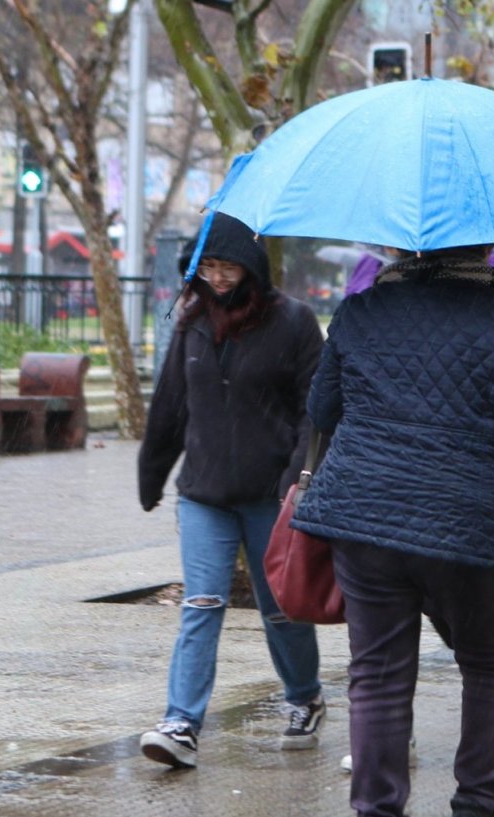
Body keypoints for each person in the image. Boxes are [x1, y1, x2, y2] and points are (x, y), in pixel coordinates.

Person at [292, 243, 494, 817]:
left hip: (365, 518)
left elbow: (322, 409)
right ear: (483, 251)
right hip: (470, 525)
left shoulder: (361, 311)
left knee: (379, 675)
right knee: (493, 662)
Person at [136, 213, 328, 768]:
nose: (220, 279)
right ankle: (181, 723)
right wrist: (152, 475)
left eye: (229, 267)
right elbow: (171, 404)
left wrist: (297, 479)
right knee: (201, 603)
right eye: (210, 268)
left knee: (280, 610)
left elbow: (313, 411)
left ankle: (305, 696)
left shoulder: (293, 321)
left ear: (253, 268)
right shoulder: (191, 323)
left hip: (271, 493)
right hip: (203, 494)